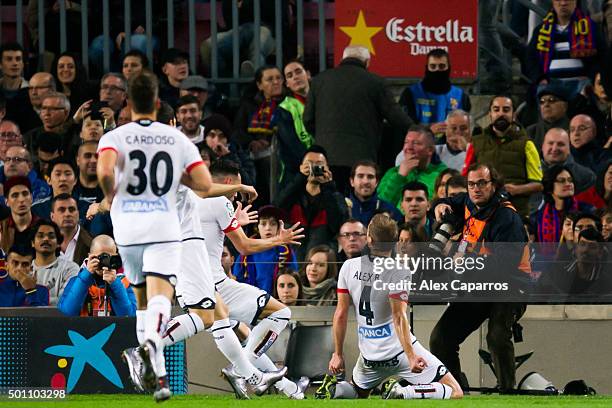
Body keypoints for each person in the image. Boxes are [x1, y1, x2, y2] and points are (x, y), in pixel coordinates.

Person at [97, 71, 215, 401]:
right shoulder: (176, 138)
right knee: (162, 295)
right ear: (159, 102)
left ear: (129, 103)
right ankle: (151, 343)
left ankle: (160, 379)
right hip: (163, 227)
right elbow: (204, 184)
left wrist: (109, 196)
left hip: (128, 229)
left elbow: (104, 172)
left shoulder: (115, 137)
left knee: (142, 302)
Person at [156, 160, 306, 399]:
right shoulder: (218, 201)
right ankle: (241, 372)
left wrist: (235, 222)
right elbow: (244, 246)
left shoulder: (184, 198)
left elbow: (205, 237)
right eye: (237, 186)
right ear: (227, 182)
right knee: (280, 313)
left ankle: (288, 388)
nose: (238, 192)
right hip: (211, 282)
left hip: (188, 282)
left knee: (239, 332)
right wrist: (279, 240)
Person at [316, 214, 463, 400]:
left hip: (369, 357)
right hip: (399, 352)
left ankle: (335, 390)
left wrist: (337, 354)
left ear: (369, 239)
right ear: (394, 242)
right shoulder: (399, 270)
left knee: (358, 392)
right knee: (455, 390)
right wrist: (411, 356)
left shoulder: (348, 267)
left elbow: (341, 314)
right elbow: (398, 317)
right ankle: (402, 392)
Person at [430, 163, 530, 392]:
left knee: (497, 335)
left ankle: (507, 391)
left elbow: (505, 265)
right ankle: (454, 389)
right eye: (472, 184)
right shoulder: (466, 202)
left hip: (511, 285)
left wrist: (465, 262)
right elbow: (444, 204)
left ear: (493, 185)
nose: (476, 189)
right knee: (440, 339)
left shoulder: (507, 217)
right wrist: (439, 205)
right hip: (479, 285)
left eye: (482, 183)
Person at [304, 45, 412, 194]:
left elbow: (308, 120)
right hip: (361, 162)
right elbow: (398, 119)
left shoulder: (319, 80)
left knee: (329, 205)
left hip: (327, 159)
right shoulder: (376, 83)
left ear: (343, 59)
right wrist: (419, 131)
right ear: (367, 62)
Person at [463, 95, 543, 217]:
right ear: (490, 113)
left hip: (517, 213)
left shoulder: (527, 144)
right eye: (496, 109)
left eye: (506, 110)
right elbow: (465, 177)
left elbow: (538, 185)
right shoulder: (475, 142)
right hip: (482, 214)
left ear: (513, 114)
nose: (501, 113)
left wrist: (516, 190)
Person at [274, 146, 349, 261]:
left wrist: (328, 187)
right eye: (309, 164)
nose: (314, 168)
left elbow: (338, 225)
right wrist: (299, 179)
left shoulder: (335, 196)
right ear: (300, 168)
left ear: (327, 169)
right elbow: (276, 210)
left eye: (319, 164)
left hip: (321, 264)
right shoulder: (292, 195)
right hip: (292, 263)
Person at [526, 0, 605, 99]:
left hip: (580, 84)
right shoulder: (541, 30)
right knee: (543, 94)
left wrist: (591, 77)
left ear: (575, 2)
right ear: (553, 2)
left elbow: (602, 56)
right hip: (551, 84)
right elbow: (530, 59)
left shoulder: (590, 27)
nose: (563, 3)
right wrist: (540, 79)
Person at [233, 65, 285, 204]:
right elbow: (237, 131)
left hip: (279, 152)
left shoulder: (288, 103)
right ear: (259, 85)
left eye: (278, 78)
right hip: (252, 153)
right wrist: (251, 142)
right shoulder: (249, 104)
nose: (276, 82)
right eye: (269, 79)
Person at [398, 49, 471, 140]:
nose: (437, 70)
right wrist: (428, 131)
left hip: (451, 150)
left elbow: (466, 129)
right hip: (419, 149)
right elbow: (403, 126)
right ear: (426, 68)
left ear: (449, 68)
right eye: (433, 66)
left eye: (442, 66)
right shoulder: (411, 94)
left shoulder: (461, 96)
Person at [58, 234, 137, 317]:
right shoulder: (77, 281)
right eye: (101, 257)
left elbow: (129, 317)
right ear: (90, 257)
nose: (104, 262)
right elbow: (67, 312)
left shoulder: (123, 283)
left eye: (109, 258)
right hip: (83, 329)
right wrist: (85, 277)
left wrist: (115, 284)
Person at [232, 205, 299, 294]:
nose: (268, 228)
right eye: (263, 224)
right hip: (252, 298)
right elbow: (237, 278)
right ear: (257, 227)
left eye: (273, 224)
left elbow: (293, 277)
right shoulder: (247, 250)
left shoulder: (286, 251)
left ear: (279, 227)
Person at [378, 125, 447, 207]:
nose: (409, 147)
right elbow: (380, 206)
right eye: (406, 142)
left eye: (416, 143)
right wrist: (399, 177)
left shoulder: (442, 175)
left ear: (430, 150)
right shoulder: (392, 173)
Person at [538, 228, 612, 301]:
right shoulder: (556, 271)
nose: (585, 250)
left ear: (600, 253)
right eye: (582, 244)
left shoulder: (606, 281)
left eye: (592, 246)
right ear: (576, 248)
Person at [531, 165, 593, 244]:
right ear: (549, 187)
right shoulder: (538, 216)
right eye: (561, 180)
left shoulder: (587, 210)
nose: (568, 184)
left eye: (570, 180)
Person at [31, 219, 80, 306]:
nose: (46, 239)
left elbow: (66, 301)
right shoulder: (24, 269)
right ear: (32, 243)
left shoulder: (71, 268)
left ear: (58, 243)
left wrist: (30, 296)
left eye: (51, 236)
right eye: (40, 236)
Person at [31, 158, 91, 224]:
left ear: (75, 180)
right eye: (58, 174)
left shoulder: (87, 207)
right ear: (49, 180)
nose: (63, 179)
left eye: (68, 174)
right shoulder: (37, 209)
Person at [202, 114, 256, 187]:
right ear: (205, 138)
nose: (216, 140)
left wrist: (229, 156)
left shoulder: (240, 154)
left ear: (227, 140)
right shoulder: (197, 153)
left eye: (221, 136)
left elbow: (249, 183)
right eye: (212, 135)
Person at [541, 128, 595, 194]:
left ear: (569, 148)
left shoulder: (586, 177)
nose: (554, 148)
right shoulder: (529, 171)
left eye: (560, 144)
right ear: (543, 146)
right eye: (550, 143)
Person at [348, 160, 402, 226]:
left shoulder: (391, 211)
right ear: (352, 182)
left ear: (376, 182)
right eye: (360, 176)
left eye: (370, 177)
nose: (365, 181)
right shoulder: (342, 209)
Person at [50, 193, 92, 266]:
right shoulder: (42, 244)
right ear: (52, 216)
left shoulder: (92, 244)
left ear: (78, 214)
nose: (67, 214)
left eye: (71, 209)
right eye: (62, 210)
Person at [0, 176, 40, 252]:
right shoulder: (1, 229)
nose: (21, 199)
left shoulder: (44, 227)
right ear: (6, 202)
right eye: (15, 195)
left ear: (31, 198)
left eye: (25, 194)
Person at [527, 85, 570, 152]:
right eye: (542, 101)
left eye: (552, 100)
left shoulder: (574, 130)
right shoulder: (531, 132)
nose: (546, 104)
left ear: (565, 106)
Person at [50, 51, 95, 116]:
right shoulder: (50, 96)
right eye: (61, 66)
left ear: (77, 70)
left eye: (70, 66)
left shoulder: (89, 95)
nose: (66, 70)